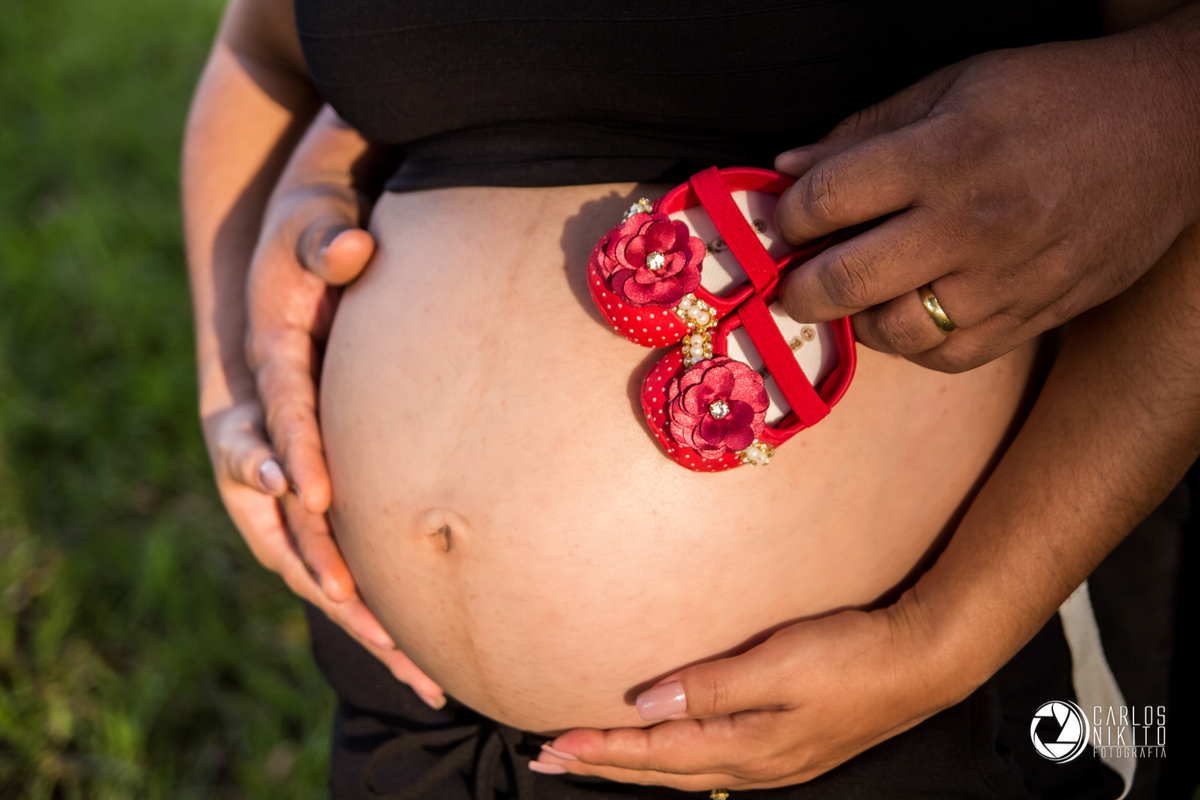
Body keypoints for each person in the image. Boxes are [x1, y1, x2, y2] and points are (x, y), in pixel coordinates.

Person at [182, 0, 1200, 796]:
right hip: (411, 715)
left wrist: (945, 641)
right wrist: (233, 374)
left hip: (870, 720)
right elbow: (259, 53)